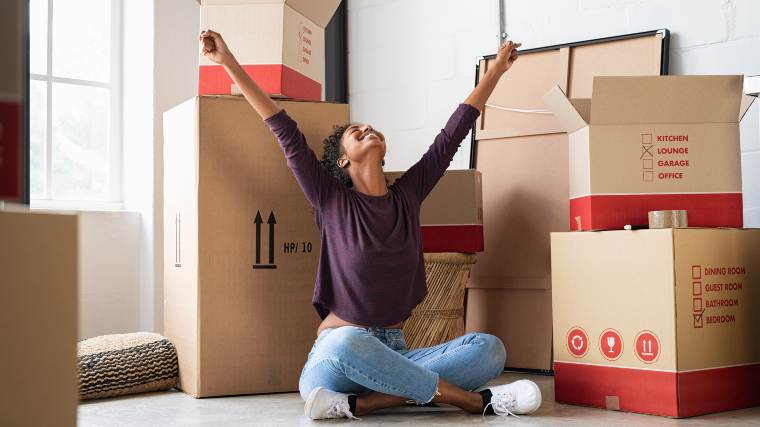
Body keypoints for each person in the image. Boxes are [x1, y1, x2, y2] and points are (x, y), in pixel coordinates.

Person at [199, 30, 540, 420]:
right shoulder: (331, 201)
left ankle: (370, 402)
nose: (366, 129)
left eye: (370, 128)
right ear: (342, 161)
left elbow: (452, 135)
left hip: (395, 352)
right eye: (354, 133)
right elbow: (284, 130)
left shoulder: (407, 196)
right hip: (336, 360)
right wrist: (227, 62)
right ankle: (475, 402)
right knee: (346, 342)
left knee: (489, 349)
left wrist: (495, 71)